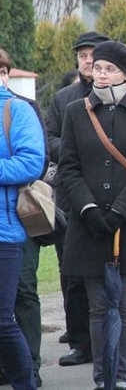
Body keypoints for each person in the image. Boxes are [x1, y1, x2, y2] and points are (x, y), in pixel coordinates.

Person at [58, 41, 126, 390]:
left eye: (109, 69)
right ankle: (103, 377)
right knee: (98, 307)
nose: (100, 75)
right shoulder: (76, 111)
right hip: (87, 224)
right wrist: (88, 208)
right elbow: (68, 168)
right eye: (96, 68)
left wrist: (120, 211)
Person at [46, 30, 110, 368]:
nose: (88, 61)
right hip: (72, 195)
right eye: (83, 55)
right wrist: (80, 152)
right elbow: (51, 140)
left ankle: (116, 342)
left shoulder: (122, 96)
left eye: (94, 55)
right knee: (73, 274)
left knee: (118, 274)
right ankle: (80, 342)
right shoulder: (64, 99)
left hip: (113, 193)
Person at [0, 50, 49, 388]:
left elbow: (32, 163)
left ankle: (25, 382)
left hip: (5, 232)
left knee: (3, 319)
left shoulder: (15, 110)